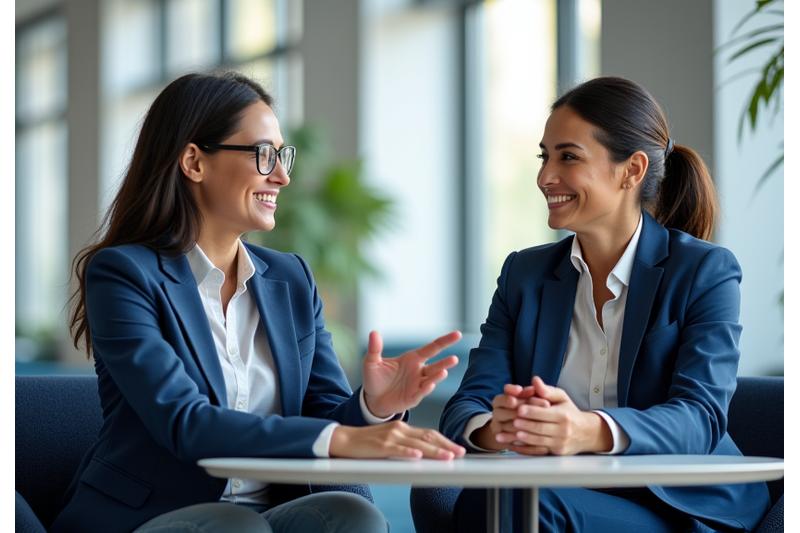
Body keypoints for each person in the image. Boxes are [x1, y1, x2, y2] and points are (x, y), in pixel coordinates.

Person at [51, 71, 466, 533]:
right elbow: (185, 423)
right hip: (150, 516)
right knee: (236, 527)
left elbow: (323, 417)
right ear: (194, 161)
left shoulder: (291, 279)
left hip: (269, 513)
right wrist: (345, 437)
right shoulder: (124, 274)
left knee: (354, 516)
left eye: (282, 156)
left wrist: (374, 407)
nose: (283, 176)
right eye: (264, 155)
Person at [440, 76, 770, 532]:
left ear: (631, 171)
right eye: (545, 156)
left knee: (520, 508)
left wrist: (585, 430)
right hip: (562, 496)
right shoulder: (525, 275)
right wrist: (500, 427)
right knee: (498, 506)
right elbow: (467, 404)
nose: (544, 177)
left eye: (568, 157)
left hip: (680, 507)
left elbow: (700, 418)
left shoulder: (704, 271)